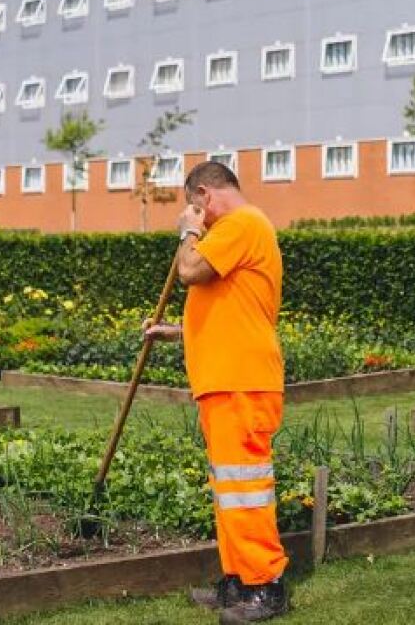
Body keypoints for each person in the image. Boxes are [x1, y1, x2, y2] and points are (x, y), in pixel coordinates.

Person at [145, 161, 290, 624]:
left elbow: (189, 270)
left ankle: (265, 586)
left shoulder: (242, 224)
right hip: (225, 380)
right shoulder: (239, 232)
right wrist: (173, 330)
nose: (194, 216)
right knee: (230, 489)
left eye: (194, 206)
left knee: (246, 490)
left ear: (205, 196)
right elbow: (227, 310)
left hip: (241, 381)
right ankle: (236, 581)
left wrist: (188, 231)